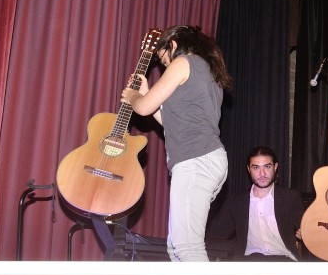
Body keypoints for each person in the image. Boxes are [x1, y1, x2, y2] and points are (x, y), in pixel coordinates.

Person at [121, 25, 233, 261]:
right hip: (206, 159)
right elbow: (171, 121)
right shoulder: (206, 70)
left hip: (196, 160)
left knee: (187, 248)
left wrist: (133, 96)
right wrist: (146, 92)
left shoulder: (183, 62)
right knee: (177, 247)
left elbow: (143, 107)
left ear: (172, 45)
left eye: (163, 59)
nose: (164, 66)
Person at [216, 146, 305, 261]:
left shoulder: (290, 197)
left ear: (275, 167)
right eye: (256, 167)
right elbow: (218, 234)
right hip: (250, 261)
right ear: (249, 169)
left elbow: (308, 231)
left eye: (267, 166)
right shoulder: (238, 201)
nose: (262, 173)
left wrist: (307, 235)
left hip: (284, 260)